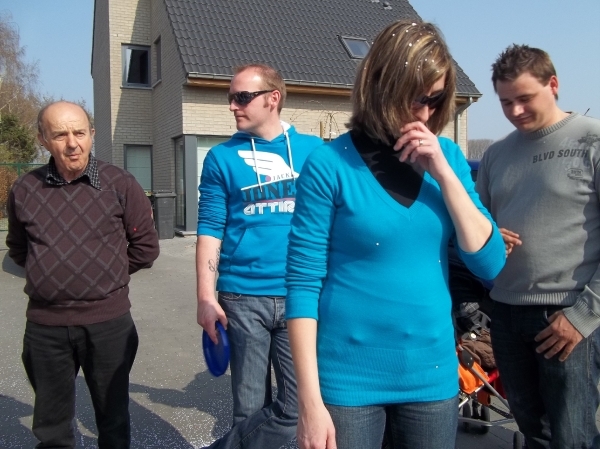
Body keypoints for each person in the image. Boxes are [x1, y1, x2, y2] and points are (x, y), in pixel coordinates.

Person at [285, 20, 506, 449]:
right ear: (380, 87)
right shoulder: (329, 165)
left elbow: (492, 263)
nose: (425, 113)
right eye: (415, 97)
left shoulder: (448, 158)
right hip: (348, 381)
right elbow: (302, 285)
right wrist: (309, 402)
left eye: (436, 99)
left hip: (431, 377)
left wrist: (443, 172)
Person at [6, 101, 160, 448]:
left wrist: (105, 275)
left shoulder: (120, 184)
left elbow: (146, 248)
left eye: (79, 132)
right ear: (43, 139)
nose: (72, 143)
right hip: (46, 329)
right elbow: (18, 248)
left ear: (92, 134)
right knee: (52, 427)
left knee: (113, 420)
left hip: (109, 325)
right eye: (60, 135)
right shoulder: (25, 189)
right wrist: (49, 274)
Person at [476, 44, 600, 449]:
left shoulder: (592, 139)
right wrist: (489, 234)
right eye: (505, 102)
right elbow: (477, 225)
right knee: (533, 432)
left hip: (567, 314)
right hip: (505, 313)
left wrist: (583, 316)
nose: (515, 111)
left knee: (573, 438)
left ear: (554, 84)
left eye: (525, 98)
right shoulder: (496, 154)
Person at [196, 63, 323, 448]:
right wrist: (205, 298)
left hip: (300, 296)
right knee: (249, 410)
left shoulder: (315, 152)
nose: (232, 106)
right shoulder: (221, 157)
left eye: (242, 97)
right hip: (242, 298)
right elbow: (210, 229)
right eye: (230, 98)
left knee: (298, 406)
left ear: (273, 98)